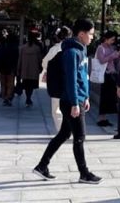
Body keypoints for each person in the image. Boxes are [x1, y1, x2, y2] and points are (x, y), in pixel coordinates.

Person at [33, 18, 103, 185]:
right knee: (80, 136)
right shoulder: (71, 52)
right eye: (91, 34)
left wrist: (85, 96)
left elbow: (82, 77)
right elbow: (71, 79)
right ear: (81, 34)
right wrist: (74, 103)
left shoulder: (81, 50)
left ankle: (42, 166)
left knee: (64, 134)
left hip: (77, 98)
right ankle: (84, 173)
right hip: (70, 100)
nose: (93, 37)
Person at [42, 26, 72, 130]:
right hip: (71, 82)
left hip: (57, 82)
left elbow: (45, 63)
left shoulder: (54, 49)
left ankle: (61, 131)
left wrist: (48, 70)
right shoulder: (75, 48)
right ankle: (70, 129)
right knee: (71, 107)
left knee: (57, 108)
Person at [94, 30, 120, 127]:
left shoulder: (111, 47)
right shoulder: (101, 48)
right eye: (112, 39)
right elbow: (102, 60)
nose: (113, 41)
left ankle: (104, 118)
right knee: (105, 96)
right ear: (106, 38)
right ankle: (101, 118)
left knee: (109, 97)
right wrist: (113, 55)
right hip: (105, 74)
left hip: (111, 73)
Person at [17, 30, 44, 107]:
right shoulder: (37, 49)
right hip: (33, 70)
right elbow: (39, 59)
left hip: (25, 70)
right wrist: (40, 67)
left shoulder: (22, 48)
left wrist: (18, 69)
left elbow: (20, 60)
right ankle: (29, 98)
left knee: (26, 84)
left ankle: (28, 97)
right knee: (31, 85)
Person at [0, 33, 19, 106]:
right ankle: (8, 97)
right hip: (11, 68)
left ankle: (4, 97)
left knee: (3, 84)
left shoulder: (3, 47)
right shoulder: (15, 48)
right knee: (10, 84)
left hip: (2, 68)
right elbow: (16, 59)